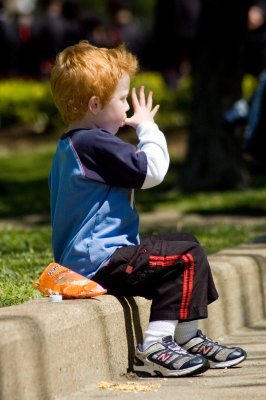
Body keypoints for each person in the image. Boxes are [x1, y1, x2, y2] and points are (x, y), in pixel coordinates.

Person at [49, 40, 247, 377]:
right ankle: (156, 344)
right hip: (103, 260)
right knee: (186, 253)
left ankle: (187, 337)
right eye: (122, 100)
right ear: (95, 104)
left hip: (89, 260)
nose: (127, 109)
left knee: (185, 248)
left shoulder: (71, 145)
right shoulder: (94, 142)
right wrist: (147, 128)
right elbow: (152, 170)